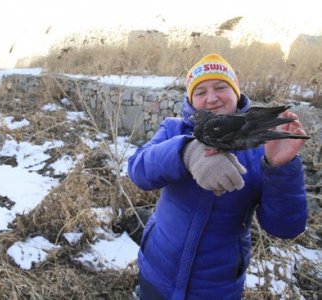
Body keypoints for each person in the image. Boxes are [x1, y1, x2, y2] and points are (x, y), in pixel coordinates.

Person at [128, 53, 308, 299]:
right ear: (191, 99)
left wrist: (280, 168)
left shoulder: (261, 147)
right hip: (157, 275)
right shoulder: (173, 129)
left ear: (236, 92)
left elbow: (285, 227)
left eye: (221, 87)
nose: (211, 98)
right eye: (200, 92)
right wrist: (186, 151)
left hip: (216, 289)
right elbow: (137, 171)